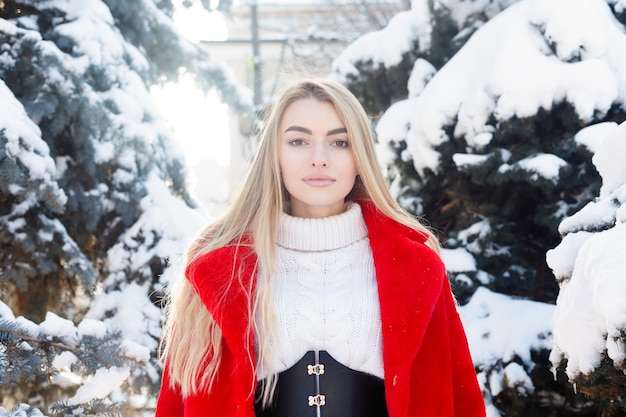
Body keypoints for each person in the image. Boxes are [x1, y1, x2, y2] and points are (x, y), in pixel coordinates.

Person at [155, 78, 486, 417]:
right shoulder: (219, 269)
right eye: (298, 141)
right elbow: (177, 401)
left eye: (339, 142)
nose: (319, 158)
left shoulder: (416, 267)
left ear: (360, 157)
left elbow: (461, 400)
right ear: (275, 155)